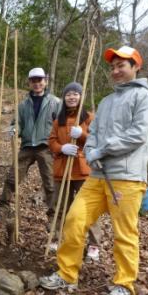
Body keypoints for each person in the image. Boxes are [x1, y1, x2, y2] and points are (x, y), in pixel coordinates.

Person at [40, 46, 148, 295]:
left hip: (127, 179)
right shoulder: (105, 102)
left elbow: (138, 135)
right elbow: (92, 133)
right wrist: (91, 150)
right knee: (74, 219)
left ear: (136, 67)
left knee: (124, 233)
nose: (116, 71)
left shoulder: (146, 99)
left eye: (122, 66)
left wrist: (101, 150)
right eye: (113, 66)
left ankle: (124, 284)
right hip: (96, 177)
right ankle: (66, 273)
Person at [0, 67, 62, 238]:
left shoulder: (55, 102)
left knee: (50, 182)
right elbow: (17, 124)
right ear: (29, 82)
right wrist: (13, 129)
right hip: (27, 145)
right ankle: (3, 207)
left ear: (45, 81)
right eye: (33, 80)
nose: (37, 83)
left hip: (45, 146)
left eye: (40, 80)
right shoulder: (23, 104)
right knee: (13, 177)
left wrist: (60, 143)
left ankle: (53, 217)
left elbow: (61, 125)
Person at [48, 82, 101, 261]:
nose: (72, 97)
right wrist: (61, 148)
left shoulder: (89, 118)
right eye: (68, 94)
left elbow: (98, 140)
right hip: (63, 169)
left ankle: (93, 244)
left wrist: (83, 136)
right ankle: (56, 238)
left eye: (75, 94)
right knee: (60, 206)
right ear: (64, 98)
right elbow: (52, 141)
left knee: (89, 208)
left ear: (81, 97)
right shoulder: (58, 120)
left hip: (83, 169)